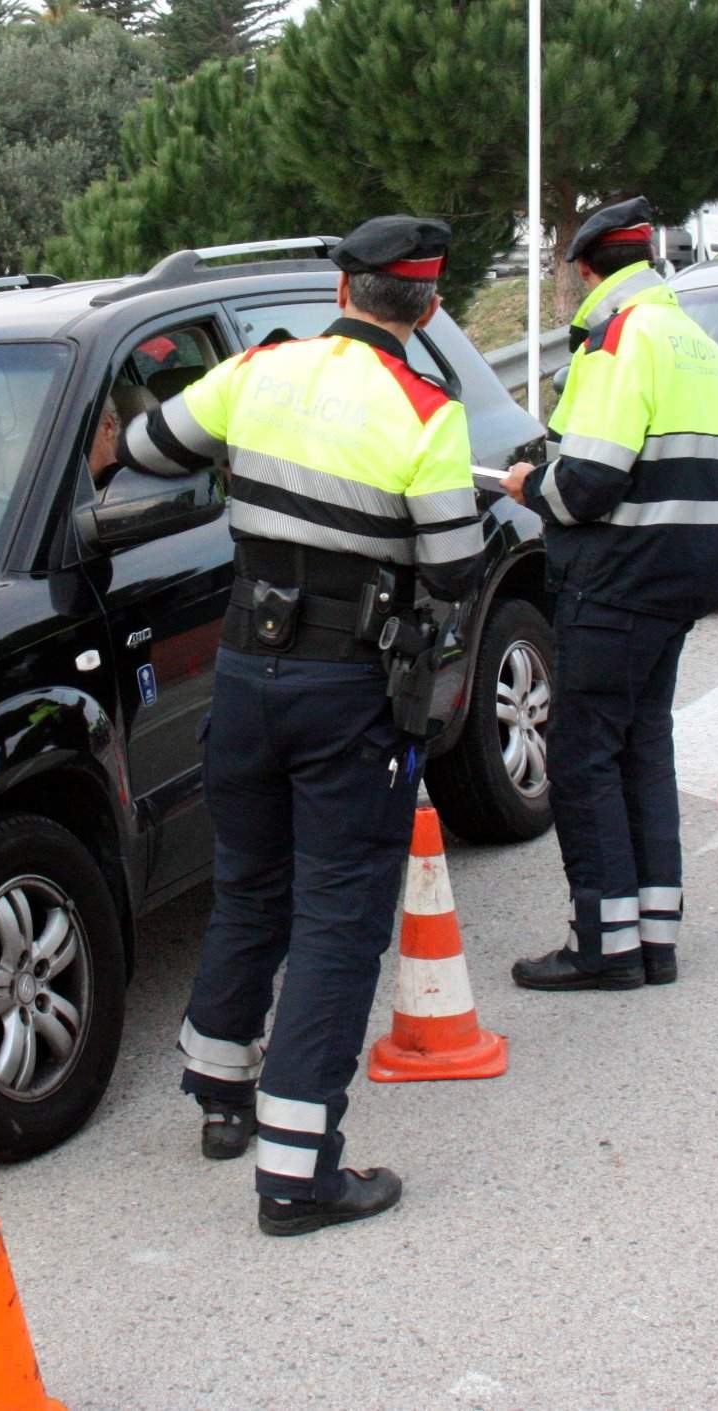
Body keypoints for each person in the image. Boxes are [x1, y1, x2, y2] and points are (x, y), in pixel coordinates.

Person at [115, 214, 478, 1238]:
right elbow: (450, 565)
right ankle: (298, 1171)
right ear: (429, 304)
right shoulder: (423, 410)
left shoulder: (257, 373)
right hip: (343, 686)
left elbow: (149, 445)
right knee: (336, 916)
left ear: (342, 293)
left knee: (250, 885)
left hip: (239, 672)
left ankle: (218, 1088)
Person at [500, 196, 718, 992]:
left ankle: (604, 945)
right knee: (643, 747)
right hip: (682, 576)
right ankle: (654, 936)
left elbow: (587, 483)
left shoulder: (617, 339)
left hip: (616, 579)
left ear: (583, 272)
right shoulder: (694, 339)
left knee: (583, 756)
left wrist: (530, 486)